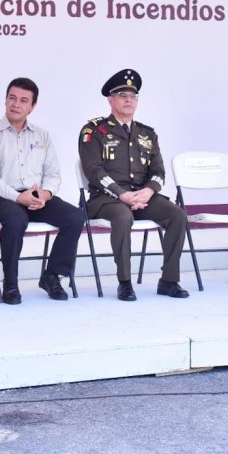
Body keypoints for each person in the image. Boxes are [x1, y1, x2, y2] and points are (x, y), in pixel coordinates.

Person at [78, 69, 189, 301]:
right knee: (123, 216)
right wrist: (122, 195)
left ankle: (169, 281)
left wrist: (148, 192)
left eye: (133, 96)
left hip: (141, 197)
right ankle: (125, 283)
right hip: (106, 199)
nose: (129, 100)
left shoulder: (147, 134)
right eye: (122, 95)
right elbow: (94, 171)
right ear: (110, 100)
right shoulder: (94, 131)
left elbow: (158, 171)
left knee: (177, 215)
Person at [0, 77, 85, 304]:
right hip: (3, 198)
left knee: (75, 217)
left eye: (23, 100)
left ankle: (52, 276)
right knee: (16, 219)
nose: (16, 104)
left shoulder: (42, 135)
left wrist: (46, 194)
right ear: (5, 100)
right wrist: (18, 197)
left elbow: (53, 173)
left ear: (32, 106)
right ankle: (10, 284)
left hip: (37, 197)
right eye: (12, 98)